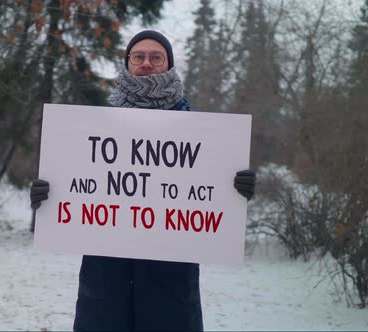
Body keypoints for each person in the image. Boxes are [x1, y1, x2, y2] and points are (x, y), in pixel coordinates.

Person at [30, 30, 256, 331]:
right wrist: (47, 194)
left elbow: (211, 197)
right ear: (127, 64)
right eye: (138, 57)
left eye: (156, 57)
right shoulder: (94, 127)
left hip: (171, 288)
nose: (146, 63)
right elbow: (75, 188)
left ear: (169, 65)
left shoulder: (198, 131)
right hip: (104, 287)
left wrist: (237, 188)